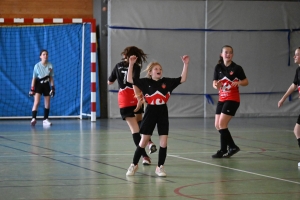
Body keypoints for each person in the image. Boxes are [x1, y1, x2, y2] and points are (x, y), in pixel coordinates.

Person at [126, 54, 189, 177]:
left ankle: (160, 167)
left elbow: (182, 79)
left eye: (160, 69)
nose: (159, 70)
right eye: (156, 69)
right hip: (150, 112)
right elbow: (129, 80)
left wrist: (185, 64)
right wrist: (131, 64)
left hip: (162, 112)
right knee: (143, 141)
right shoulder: (145, 82)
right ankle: (134, 164)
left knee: (164, 142)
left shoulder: (167, 82)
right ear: (150, 72)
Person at [107, 46, 157, 166]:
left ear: (126, 55)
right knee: (140, 122)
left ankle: (145, 156)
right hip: (135, 96)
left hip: (124, 97)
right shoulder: (137, 67)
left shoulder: (118, 66)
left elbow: (110, 82)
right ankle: (149, 142)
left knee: (135, 130)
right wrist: (139, 97)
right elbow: (134, 82)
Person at [212, 45, 249, 158]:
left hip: (232, 99)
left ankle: (232, 146)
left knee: (222, 124)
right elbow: (214, 83)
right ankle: (223, 150)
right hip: (221, 98)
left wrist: (238, 83)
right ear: (221, 54)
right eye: (226, 52)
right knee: (217, 125)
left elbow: (246, 81)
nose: (228, 54)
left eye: (230, 52)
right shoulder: (218, 67)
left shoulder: (237, 68)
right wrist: (216, 85)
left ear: (232, 55)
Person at [278, 47, 300, 167]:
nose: (294, 56)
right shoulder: (298, 70)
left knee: (297, 130)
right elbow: (294, 86)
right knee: (297, 130)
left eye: (297, 54)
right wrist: (283, 98)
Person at [29, 49, 55, 126]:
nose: (45, 56)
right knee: (36, 102)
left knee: (47, 103)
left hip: (46, 85)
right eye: (43, 54)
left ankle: (45, 119)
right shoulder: (37, 66)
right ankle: (33, 118)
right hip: (38, 85)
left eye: (46, 54)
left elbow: (50, 77)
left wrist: (53, 88)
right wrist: (32, 89)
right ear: (40, 56)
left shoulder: (50, 65)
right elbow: (34, 78)